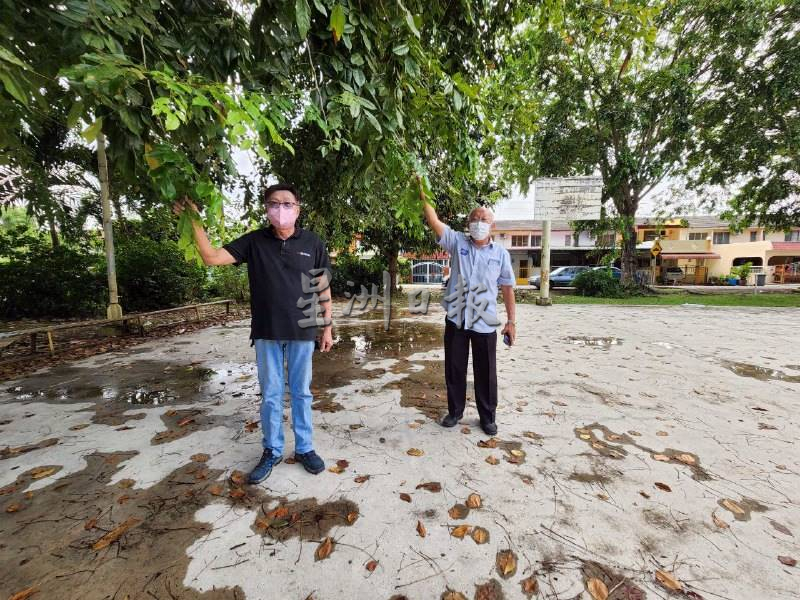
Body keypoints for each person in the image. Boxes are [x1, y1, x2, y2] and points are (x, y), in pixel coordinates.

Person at [173, 183, 333, 484]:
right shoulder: (254, 242)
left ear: (298, 208)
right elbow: (210, 257)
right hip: (267, 331)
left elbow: (322, 285)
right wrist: (193, 220)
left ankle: (304, 448)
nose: (281, 209)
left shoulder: (312, 242)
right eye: (274, 203)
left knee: (302, 393)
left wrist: (327, 326)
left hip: (303, 330)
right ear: (266, 209)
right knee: (271, 395)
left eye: (287, 204)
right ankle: (272, 450)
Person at [422, 199, 516, 435]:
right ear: (468, 223)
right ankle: (455, 412)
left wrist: (511, 322)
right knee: (454, 369)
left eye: (484, 219)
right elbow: (433, 220)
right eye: (474, 218)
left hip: (485, 322)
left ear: (492, 225)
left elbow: (507, 288)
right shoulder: (457, 243)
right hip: (457, 320)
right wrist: (423, 192)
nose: (479, 222)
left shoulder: (501, 254)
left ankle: (487, 417)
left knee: (486, 372)